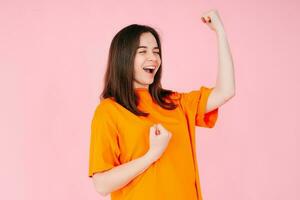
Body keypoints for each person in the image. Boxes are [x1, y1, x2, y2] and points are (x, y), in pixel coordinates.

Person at [88, 10, 235, 200]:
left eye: (156, 52)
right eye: (143, 51)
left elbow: (226, 91)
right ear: (123, 58)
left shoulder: (175, 103)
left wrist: (220, 32)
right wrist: (152, 155)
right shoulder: (109, 111)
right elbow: (101, 184)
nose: (154, 58)